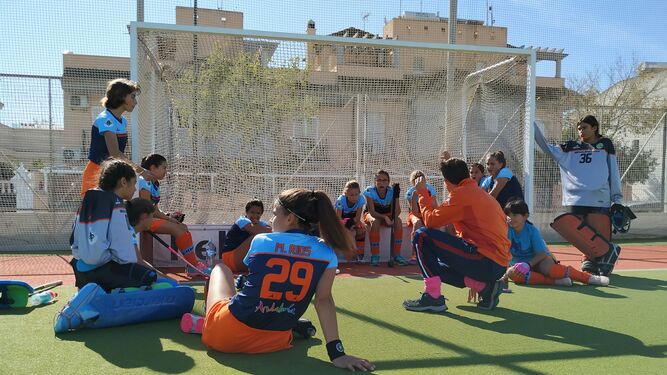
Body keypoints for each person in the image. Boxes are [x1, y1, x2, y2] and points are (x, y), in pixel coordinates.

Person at [201, 188, 375, 372]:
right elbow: (323, 301)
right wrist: (337, 353)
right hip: (273, 342)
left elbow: (254, 277)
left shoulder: (261, 240)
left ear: (290, 218)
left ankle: (206, 319)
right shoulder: (326, 252)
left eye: (275, 214)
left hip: (224, 336)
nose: (270, 219)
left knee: (221, 269)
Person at [403, 156, 510, 312]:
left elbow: (430, 221)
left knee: (422, 235)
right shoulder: (478, 193)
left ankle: (433, 298)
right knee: (436, 266)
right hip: (497, 264)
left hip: (485, 260)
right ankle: (485, 287)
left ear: (447, 182)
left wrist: (422, 193)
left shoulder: (461, 194)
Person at [534, 116, 623, 275]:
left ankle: (599, 259)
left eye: (585, 127)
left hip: (599, 197)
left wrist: (617, 198)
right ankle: (589, 258)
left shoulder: (606, 144)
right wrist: (531, 125)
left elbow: (613, 171)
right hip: (575, 198)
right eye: (579, 128)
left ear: (594, 127)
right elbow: (547, 148)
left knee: (599, 236)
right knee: (580, 234)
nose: (581, 131)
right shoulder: (570, 147)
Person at [70, 159, 157, 292]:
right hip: (105, 270)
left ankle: (90, 293)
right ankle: (114, 293)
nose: (134, 189)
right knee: (149, 276)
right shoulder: (116, 203)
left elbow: (74, 239)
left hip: (80, 270)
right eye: (133, 184)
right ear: (123, 182)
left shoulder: (87, 199)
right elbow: (121, 245)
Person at [502, 200, 609, 287]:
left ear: (525, 216)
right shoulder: (505, 230)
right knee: (512, 274)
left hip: (539, 261)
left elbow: (543, 254)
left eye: (515, 215)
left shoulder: (532, 231)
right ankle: (555, 282)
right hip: (520, 266)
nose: (511, 218)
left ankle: (588, 278)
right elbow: (504, 252)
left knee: (547, 268)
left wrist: (528, 264)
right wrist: (505, 273)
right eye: (508, 215)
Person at [135, 153, 210, 276]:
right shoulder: (144, 181)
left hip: (150, 218)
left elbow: (156, 211)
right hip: (143, 220)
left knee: (182, 227)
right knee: (178, 229)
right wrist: (169, 220)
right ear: (153, 168)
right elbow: (147, 209)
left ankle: (192, 265)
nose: (166, 171)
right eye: (164, 167)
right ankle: (193, 267)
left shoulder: (155, 184)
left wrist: (171, 218)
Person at [81, 79, 154, 197]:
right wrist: (140, 171)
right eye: (132, 97)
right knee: (98, 214)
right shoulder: (106, 119)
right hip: (96, 174)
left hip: (112, 175)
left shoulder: (123, 121)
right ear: (121, 97)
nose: (135, 102)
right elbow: (115, 153)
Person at [362, 170, 406, 266]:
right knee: (375, 222)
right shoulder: (369, 191)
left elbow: (397, 212)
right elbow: (372, 212)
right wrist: (384, 217)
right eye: (379, 180)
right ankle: (375, 256)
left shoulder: (391, 191)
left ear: (388, 182)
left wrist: (396, 195)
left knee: (398, 221)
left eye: (385, 180)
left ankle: (397, 255)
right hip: (371, 215)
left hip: (387, 214)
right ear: (375, 181)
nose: (382, 183)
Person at [221, 200, 272, 273]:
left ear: (261, 214)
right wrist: (265, 228)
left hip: (239, 259)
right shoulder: (242, 220)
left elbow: (272, 231)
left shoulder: (261, 223)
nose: (255, 215)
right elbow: (257, 231)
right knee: (258, 237)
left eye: (258, 213)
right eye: (252, 212)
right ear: (247, 212)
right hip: (229, 257)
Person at [405, 170, 438, 264]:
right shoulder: (410, 192)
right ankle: (414, 254)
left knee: (437, 223)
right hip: (415, 215)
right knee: (417, 222)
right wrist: (416, 195)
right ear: (412, 181)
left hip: (427, 212)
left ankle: (434, 254)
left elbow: (435, 205)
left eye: (421, 178)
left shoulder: (430, 189)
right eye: (416, 179)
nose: (419, 180)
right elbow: (414, 212)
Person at [334, 181, 367, 263]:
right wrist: (348, 230)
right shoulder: (341, 200)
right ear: (346, 194)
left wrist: (351, 225)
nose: (354, 197)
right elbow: (338, 219)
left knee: (362, 230)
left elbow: (357, 218)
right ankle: (334, 258)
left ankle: (359, 255)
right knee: (348, 233)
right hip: (339, 221)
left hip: (352, 220)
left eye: (356, 194)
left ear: (359, 193)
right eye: (351, 195)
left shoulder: (361, 199)